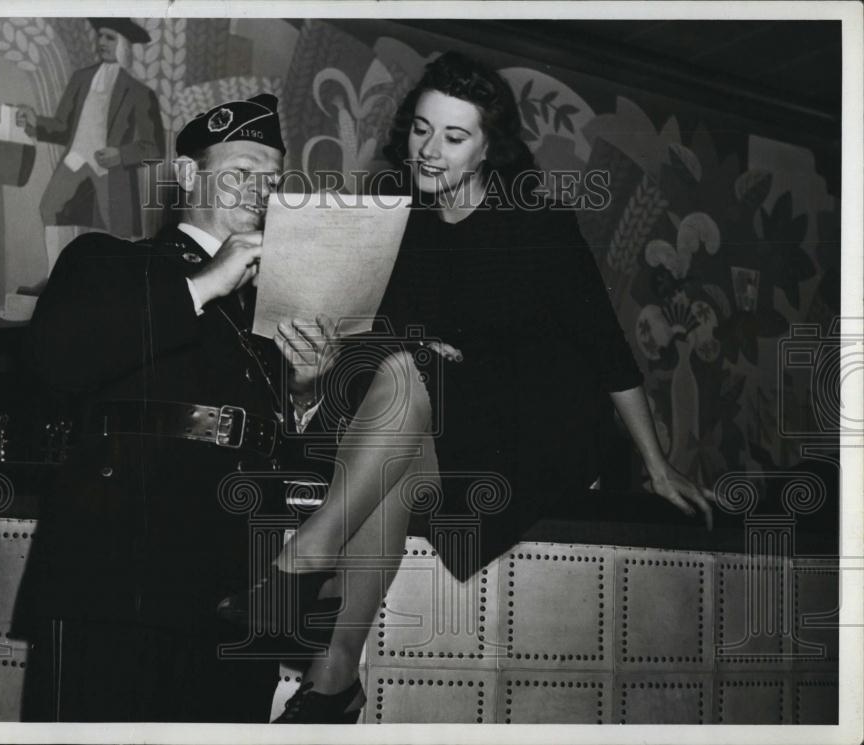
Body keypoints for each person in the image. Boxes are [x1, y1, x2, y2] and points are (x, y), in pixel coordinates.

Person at [219, 51, 717, 724]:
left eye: (454, 137)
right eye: (422, 129)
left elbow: (607, 347)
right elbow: (372, 341)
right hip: (440, 423)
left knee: (404, 379)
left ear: (489, 148)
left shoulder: (535, 224)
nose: (429, 150)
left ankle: (309, 557)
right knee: (398, 387)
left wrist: (656, 466)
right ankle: (335, 676)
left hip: (536, 425)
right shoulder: (402, 225)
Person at [12, 93, 333, 722]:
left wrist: (304, 390)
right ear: (187, 174)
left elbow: (298, 458)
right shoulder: (112, 261)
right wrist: (206, 283)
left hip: (241, 587)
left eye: (272, 179)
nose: (259, 190)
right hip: (120, 573)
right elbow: (53, 364)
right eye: (239, 172)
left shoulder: (279, 302)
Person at [15, 18, 164, 272]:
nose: (102, 43)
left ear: (124, 44)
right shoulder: (81, 79)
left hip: (111, 171)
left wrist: (120, 154)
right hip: (75, 160)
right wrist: (35, 122)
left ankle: (110, 288)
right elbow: (63, 127)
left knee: (116, 229)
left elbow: (155, 149)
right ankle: (56, 277)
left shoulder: (139, 92)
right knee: (50, 209)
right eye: (100, 36)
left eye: (110, 38)